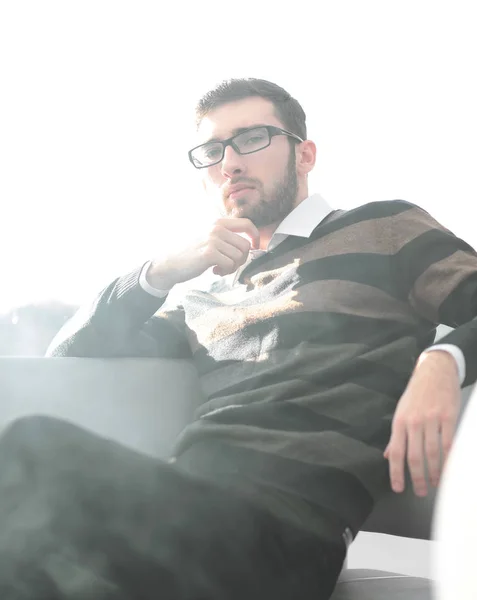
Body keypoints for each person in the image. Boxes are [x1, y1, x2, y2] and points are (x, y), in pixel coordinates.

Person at [0, 78, 473, 599]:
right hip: (183, 515)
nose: (229, 163)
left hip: (285, 534)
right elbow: (70, 359)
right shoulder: (203, 297)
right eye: (212, 151)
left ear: (305, 153)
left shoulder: (384, 228)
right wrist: (158, 272)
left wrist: (441, 362)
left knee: (27, 451)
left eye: (251, 139)